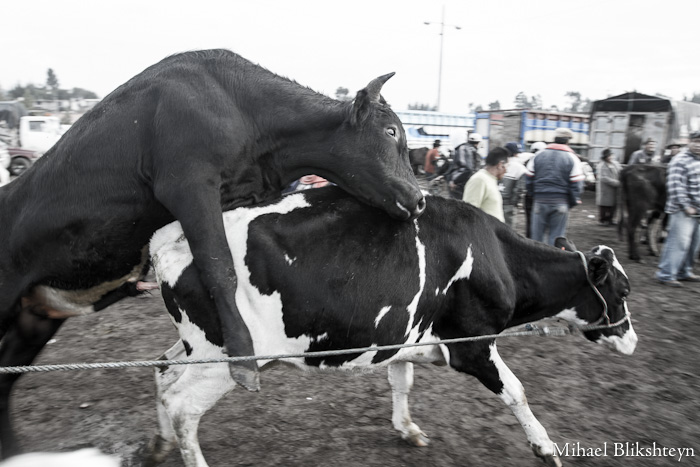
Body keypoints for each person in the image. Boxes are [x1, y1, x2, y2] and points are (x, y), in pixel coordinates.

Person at [654, 131, 700, 287]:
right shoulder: (680, 160)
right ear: (689, 142)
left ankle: (684, 271)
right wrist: (686, 206)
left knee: (694, 244)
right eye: (696, 141)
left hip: (698, 210)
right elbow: (675, 187)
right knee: (678, 243)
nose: (698, 145)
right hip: (683, 210)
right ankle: (666, 274)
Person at [525, 128, 585, 245]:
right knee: (556, 239)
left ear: (554, 139)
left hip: (539, 201)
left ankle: (535, 262)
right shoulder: (572, 158)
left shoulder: (538, 155)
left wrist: (534, 195)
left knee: (536, 239)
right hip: (561, 203)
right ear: (568, 141)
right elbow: (577, 185)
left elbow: (529, 178)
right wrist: (571, 202)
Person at [462, 147, 509, 222]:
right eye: (507, 166)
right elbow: (467, 214)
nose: (507, 171)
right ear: (500, 165)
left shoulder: (490, 179)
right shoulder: (479, 180)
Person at [501, 142, 528, 228]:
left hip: (494, 200)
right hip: (508, 203)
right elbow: (520, 189)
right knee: (507, 230)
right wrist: (514, 203)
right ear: (516, 153)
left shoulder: (498, 164)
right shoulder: (520, 168)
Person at [447, 132, 482, 199]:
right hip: (465, 184)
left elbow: (467, 168)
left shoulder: (465, 149)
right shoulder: (471, 151)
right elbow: (468, 168)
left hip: (461, 185)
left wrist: (454, 181)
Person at [523, 141, 547, 238]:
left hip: (530, 195)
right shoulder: (545, 161)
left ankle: (529, 241)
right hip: (542, 195)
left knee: (529, 221)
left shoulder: (528, 161)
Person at [595, 148, 621, 225]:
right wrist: (617, 183)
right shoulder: (601, 165)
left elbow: (620, 171)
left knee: (613, 205)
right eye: (608, 156)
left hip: (614, 189)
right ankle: (603, 220)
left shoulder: (615, 164)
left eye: (611, 155)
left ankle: (611, 219)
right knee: (604, 205)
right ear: (605, 157)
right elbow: (603, 178)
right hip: (605, 189)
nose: (610, 157)